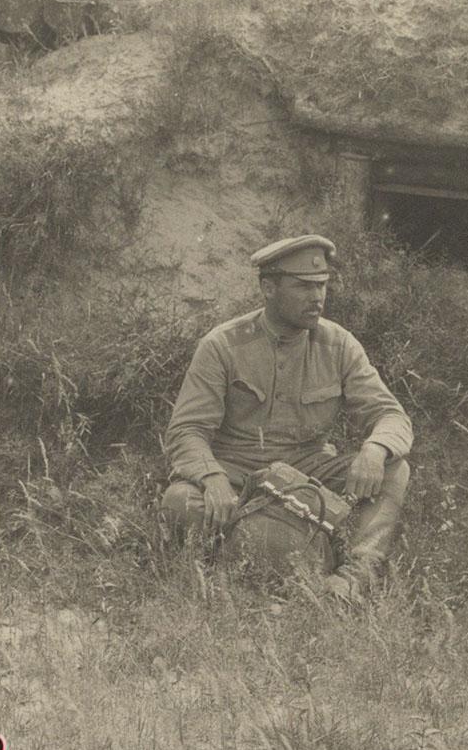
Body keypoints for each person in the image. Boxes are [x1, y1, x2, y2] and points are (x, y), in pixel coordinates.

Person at [161, 235, 413, 599]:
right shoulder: (222, 346)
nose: (318, 298)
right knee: (180, 501)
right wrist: (212, 477)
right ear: (268, 288)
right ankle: (266, 559)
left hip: (309, 471)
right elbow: (187, 430)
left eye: (322, 285)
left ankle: (355, 576)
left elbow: (391, 415)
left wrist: (374, 449)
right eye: (303, 286)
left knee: (394, 467)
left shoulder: (338, 344)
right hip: (236, 476)